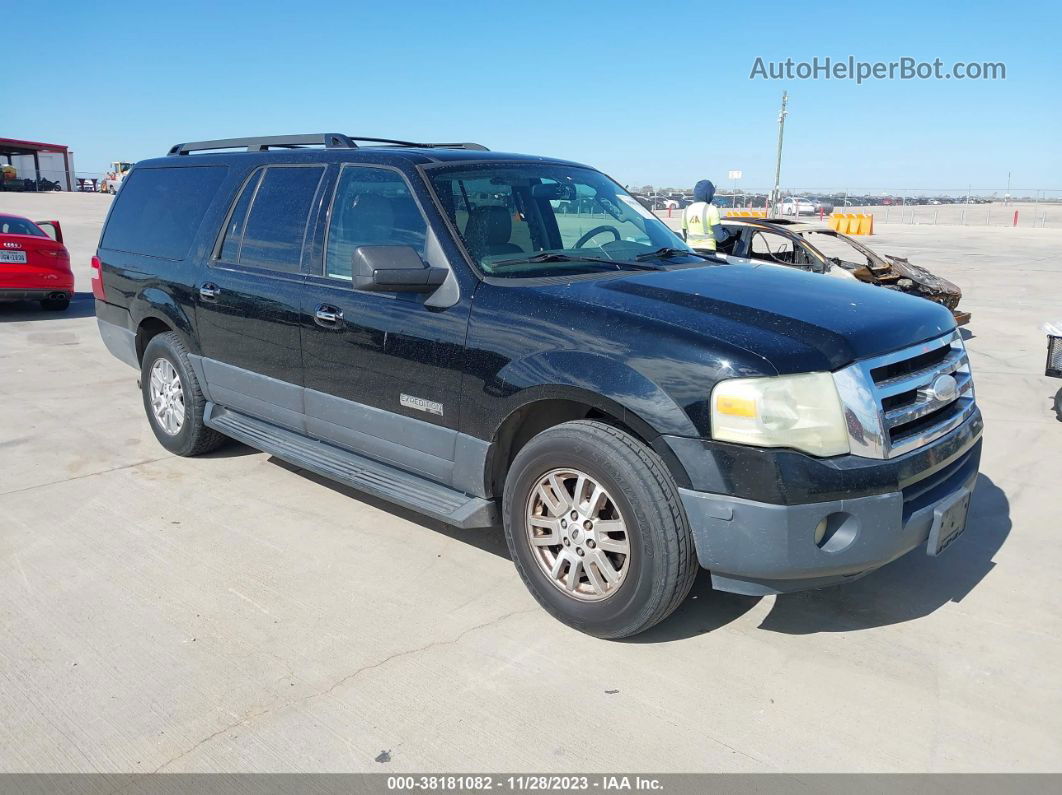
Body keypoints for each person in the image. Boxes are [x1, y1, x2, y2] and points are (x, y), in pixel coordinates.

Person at [681, 179, 726, 251]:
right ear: (708, 194)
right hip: (707, 251)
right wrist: (728, 232)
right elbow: (720, 238)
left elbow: (685, 234)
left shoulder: (686, 210)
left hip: (690, 251)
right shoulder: (712, 210)